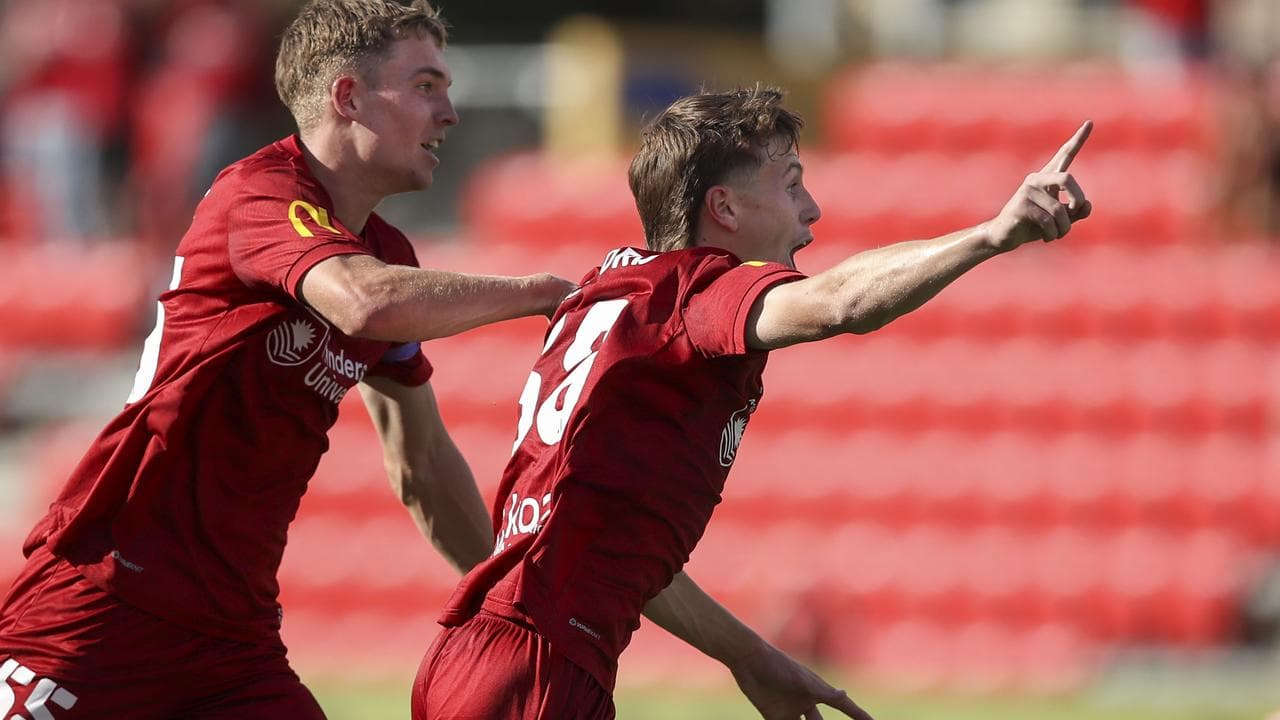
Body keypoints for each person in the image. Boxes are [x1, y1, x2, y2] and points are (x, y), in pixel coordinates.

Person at [412, 87, 1093, 720]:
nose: (813, 210)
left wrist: (751, 655)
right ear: (725, 210)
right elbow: (841, 303)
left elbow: (621, 558)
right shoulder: (700, 295)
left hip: (479, 653)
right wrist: (990, 236)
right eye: (792, 184)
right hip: (538, 673)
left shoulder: (616, 294)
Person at [0, 1, 573, 718]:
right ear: (347, 96)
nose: (450, 113)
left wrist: (510, 610)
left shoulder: (388, 256)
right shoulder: (260, 194)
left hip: (232, 641)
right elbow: (362, 304)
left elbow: (421, 464)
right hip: (101, 604)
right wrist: (543, 294)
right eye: (426, 86)